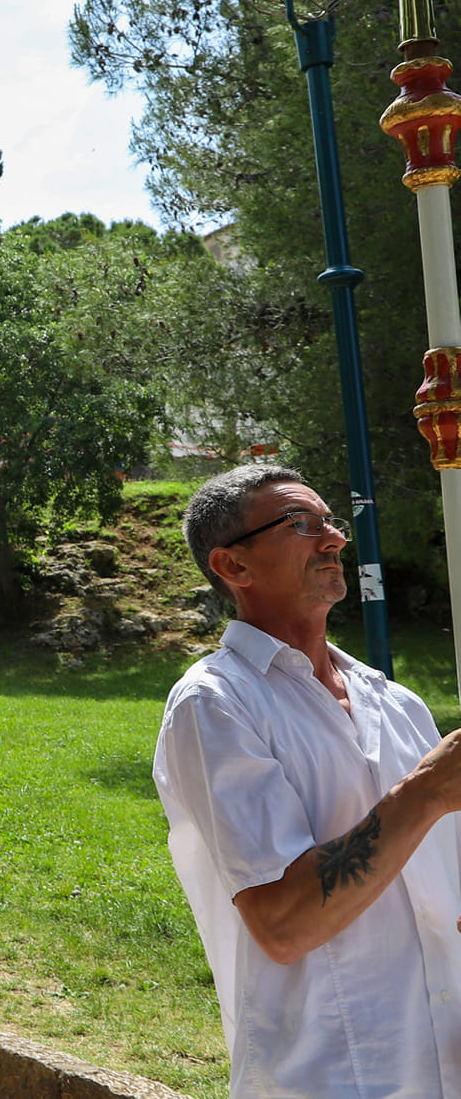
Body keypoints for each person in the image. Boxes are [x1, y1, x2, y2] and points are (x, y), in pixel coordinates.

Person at [152, 464, 461, 1097]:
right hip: (334, 1075)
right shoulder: (216, 705)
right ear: (233, 567)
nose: (334, 540)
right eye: (301, 523)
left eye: (332, 522)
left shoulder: (395, 703)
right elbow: (283, 923)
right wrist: (424, 793)